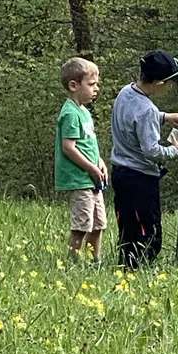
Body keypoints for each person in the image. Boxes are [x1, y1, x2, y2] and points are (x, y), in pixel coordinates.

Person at [111, 50, 178, 267]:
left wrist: (164, 117)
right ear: (160, 83)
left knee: (128, 226)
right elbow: (152, 151)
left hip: (121, 172)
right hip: (141, 178)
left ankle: (125, 264)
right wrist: (175, 148)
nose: (172, 86)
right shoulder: (147, 110)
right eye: (171, 82)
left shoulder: (126, 92)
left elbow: (132, 119)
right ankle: (139, 267)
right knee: (149, 230)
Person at [54, 57, 108, 263]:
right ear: (74, 85)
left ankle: (95, 261)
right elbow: (69, 148)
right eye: (92, 84)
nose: (96, 89)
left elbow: (88, 144)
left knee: (98, 223)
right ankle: (72, 262)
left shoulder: (84, 112)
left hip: (93, 178)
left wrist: (100, 162)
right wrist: (91, 168)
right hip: (80, 178)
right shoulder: (70, 113)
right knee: (82, 225)